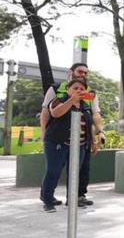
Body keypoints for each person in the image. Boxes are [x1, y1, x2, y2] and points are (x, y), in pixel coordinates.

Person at [40, 63, 104, 207]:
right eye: (80, 71)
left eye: (86, 73)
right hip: (57, 140)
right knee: (54, 170)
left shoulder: (88, 99)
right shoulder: (57, 91)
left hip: (80, 143)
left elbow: (94, 117)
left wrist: (97, 136)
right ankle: (47, 197)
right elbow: (49, 112)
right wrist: (43, 132)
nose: (83, 75)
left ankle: (75, 198)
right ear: (71, 72)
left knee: (78, 171)